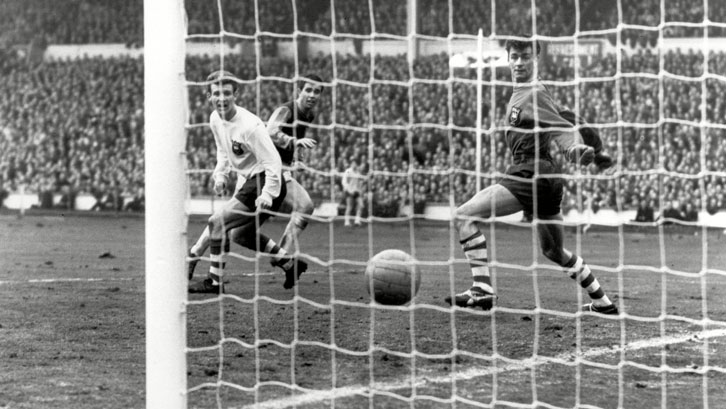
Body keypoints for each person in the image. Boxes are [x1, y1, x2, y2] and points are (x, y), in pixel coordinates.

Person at [445, 38, 619, 315]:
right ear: (508, 59)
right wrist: (594, 153)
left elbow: (562, 127)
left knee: (463, 216)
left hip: (530, 173)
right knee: (553, 251)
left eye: (526, 56)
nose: (519, 62)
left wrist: (573, 148)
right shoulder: (533, 94)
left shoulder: (532, 93)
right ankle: (602, 302)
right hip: (549, 180)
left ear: (536, 60)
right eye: (514, 56)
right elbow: (568, 118)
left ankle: (481, 289)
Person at [187, 73, 324, 286]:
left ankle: (208, 274)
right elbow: (224, 149)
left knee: (219, 221)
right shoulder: (217, 118)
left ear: (236, 95)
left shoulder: (251, 124)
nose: (221, 99)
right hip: (256, 176)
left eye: (226, 93)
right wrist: (221, 175)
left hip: (266, 177)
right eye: (216, 94)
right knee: (241, 235)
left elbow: (272, 160)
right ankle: (288, 263)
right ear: (208, 96)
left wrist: (268, 193)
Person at [342, 161, 365, 226]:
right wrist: (349, 190)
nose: (354, 165)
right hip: (349, 191)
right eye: (353, 164)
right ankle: (346, 222)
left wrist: (360, 190)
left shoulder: (358, 172)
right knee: (349, 207)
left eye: (355, 164)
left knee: (361, 205)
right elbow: (344, 182)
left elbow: (359, 183)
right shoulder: (348, 171)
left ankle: (357, 221)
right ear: (351, 164)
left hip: (356, 191)